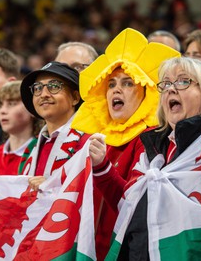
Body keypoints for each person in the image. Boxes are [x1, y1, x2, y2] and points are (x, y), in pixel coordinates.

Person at [96, 57, 201, 260]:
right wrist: (101, 169)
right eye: (166, 83)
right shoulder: (153, 153)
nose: (171, 89)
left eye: (183, 81)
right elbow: (128, 208)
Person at [71, 27, 180, 260]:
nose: (116, 89)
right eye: (110, 84)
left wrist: (102, 168)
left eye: (128, 83)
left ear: (146, 93)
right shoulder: (93, 138)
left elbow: (135, 206)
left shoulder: (153, 140)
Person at [0, 80, 44, 176]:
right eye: (0, 105)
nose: (2, 111)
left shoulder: (42, 154)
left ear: (32, 109)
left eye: (11, 104)